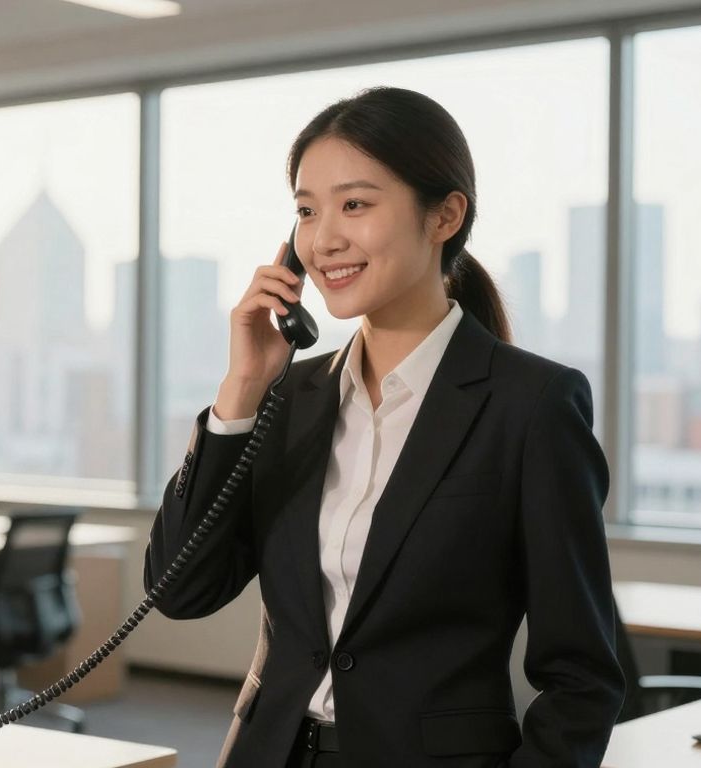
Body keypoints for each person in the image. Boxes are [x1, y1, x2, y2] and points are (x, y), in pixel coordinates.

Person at [145, 86, 624, 768]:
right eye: (307, 212)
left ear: (445, 216)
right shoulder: (291, 397)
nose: (324, 239)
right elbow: (180, 591)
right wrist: (242, 390)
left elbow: (583, 675)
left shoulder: (532, 405)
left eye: (356, 204)